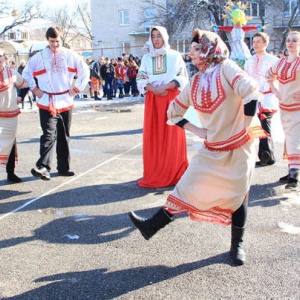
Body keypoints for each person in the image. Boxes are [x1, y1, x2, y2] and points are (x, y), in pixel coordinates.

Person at [129, 29, 266, 266]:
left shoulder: (227, 68)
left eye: (194, 49)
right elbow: (173, 112)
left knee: (238, 194)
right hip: (212, 146)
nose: (189, 54)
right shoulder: (195, 81)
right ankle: (151, 226)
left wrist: (244, 127)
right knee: (187, 184)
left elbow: (251, 93)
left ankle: (237, 246)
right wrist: (198, 131)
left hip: (239, 146)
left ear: (206, 49)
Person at [22, 27, 90, 180]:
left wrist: (76, 88)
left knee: (64, 135)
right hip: (47, 101)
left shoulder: (71, 55)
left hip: (65, 100)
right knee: (48, 134)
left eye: (57, 41)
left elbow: (85, 71)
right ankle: (43, 166)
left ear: (61, 40)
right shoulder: (39, 57)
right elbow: (26, 72)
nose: (55, 44)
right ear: (47, 40)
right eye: (52, 41)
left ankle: (64, 167)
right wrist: (35, 89)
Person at [136, 25, 189, 188]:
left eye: (159, 35)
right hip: (153, 99)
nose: (156, 39)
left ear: (165, 37)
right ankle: (155, 171)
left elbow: (182, 76)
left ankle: (174, 171)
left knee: (173, 134)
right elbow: (141, 78)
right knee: (154, 135)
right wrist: (153, 88)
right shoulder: (146, 58)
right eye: (153, 36)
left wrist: (166, 86)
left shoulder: (175, 56)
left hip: (171, 97)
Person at [267, 31, 300, 190]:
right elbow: (268, 75)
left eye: (294, 40)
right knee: (289, 138)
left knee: (294, 138)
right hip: (284, 107)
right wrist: (275, 90)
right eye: (288, 40)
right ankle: (291, 169)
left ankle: (294, 175)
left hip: (298, 108)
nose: (290, 43)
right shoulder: (280, 63)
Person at [244, 32, 279, 166]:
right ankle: (265, 154)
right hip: (252, 97)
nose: (256, 44)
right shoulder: (249, 60)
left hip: (267, 97)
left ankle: (266, 154)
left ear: (265, 43)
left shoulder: (273, 60)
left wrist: (274, 89)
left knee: (265, 123)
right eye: (254, 42)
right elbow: (246, 78)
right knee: (252, 125)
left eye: (259, 41)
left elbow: (278, 78)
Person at [0, 50, 28, 183]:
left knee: (10, 143)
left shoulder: (12, 73)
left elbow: (26, 85)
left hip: (10, 115)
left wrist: (20, 97)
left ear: (5, 59)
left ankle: (10, 172)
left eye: (0, 56)